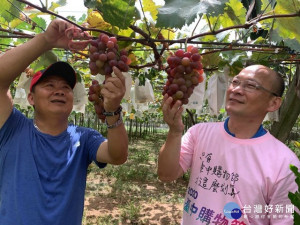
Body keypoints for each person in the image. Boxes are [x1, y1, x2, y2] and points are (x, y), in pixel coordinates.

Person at [0, 19, 128, 225]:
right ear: (31, 98)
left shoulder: (84, 138)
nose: (59, 90)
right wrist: (45, 41)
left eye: (66, 87)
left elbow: (117, 155)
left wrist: (112, 110)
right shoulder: (11, 128)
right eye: (49, 85)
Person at [158, 65, 300, 225]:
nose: (237, 89)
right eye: (235, 82)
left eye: (251, 85)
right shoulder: (198, 133)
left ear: (273, 103)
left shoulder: (286, 164)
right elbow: (166, 174)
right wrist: (175, 132)